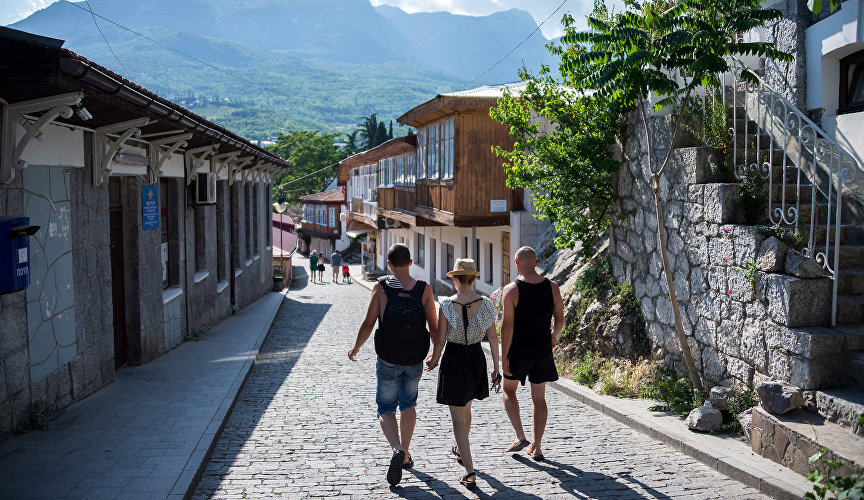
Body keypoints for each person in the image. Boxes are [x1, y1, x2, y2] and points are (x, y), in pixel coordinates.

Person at [348, 244, 438, 486]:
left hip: (388, 357)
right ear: (410, 262)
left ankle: (397, 449)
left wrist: (356, 348)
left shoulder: (381, 288)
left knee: (386, 407)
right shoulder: (424, 289)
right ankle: (406, 454)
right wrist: (436, 355)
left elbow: (368, 323)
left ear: (389, 264)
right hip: (414, 359)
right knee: (408, 404)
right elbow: (434, 326)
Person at [425, 259, 500, 489]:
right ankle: (460, 449)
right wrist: (496, 367)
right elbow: (494, 338)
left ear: (455, 279)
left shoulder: (446, 304)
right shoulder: (487, 304)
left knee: (458, 418)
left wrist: (434, 359)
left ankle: (470, 472)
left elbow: (440, 339)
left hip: (455, 359)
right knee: (466, 409)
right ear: (474, 279)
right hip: (476, 358)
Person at [500, 246, 564, 461]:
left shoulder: (511, 290)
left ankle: (520, 436)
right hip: (542, 350)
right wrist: (554, 335)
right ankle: (537, 447)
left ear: (517, 264)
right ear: (536, 263)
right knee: (539, 398)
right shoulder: (553, 287)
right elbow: (560, 319)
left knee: (509, 391)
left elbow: (506, 328)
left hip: (519, 350)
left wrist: (503, 356)